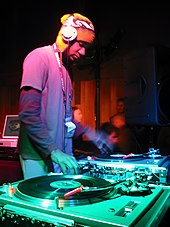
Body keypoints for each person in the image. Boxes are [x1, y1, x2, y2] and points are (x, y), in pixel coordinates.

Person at [17, 13, 95, 179]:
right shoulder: (38, 58)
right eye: (81, 45)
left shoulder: (67, 71)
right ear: (68, 35)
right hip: (38, 155)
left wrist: (92, 133)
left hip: (58, 154)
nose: (82, 52)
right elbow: (28, 114)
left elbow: (65, 119)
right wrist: (53, 150)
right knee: (40, 203)